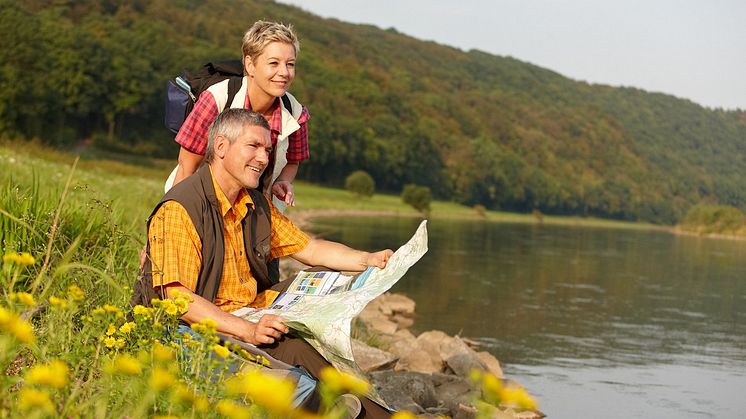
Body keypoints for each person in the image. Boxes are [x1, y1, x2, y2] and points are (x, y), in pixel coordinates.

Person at [141, 109, 392, 418]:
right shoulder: (182, 208)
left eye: (268, 149)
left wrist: (368, 260)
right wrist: (247, 330)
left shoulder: (255, 203)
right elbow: (177, 299)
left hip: (250, 316)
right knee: (298, 386)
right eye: (254, 147)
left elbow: (310, 248)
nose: (264, 158)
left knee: (312, 339)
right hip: (197, 329)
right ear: (220, 147)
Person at [172, 20, 309, 211]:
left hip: (260, 210)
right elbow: (186, 167)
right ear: (250, 64)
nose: (284, 72)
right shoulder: (217, 99)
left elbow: (293, 160)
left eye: (290, 64)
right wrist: (171, 220)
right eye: (273, 63)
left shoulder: (296, 113)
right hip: (204, 203)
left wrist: (283, 180)